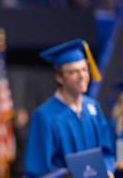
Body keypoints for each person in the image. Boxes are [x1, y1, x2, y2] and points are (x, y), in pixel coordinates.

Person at [24, 39, 115, 177]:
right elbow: (39, 169)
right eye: (73, 72)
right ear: (59, 77)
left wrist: (108, 169)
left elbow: (107, 150)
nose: (82, 76)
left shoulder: (93, 108)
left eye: (84, 69)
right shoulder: (45, 115)